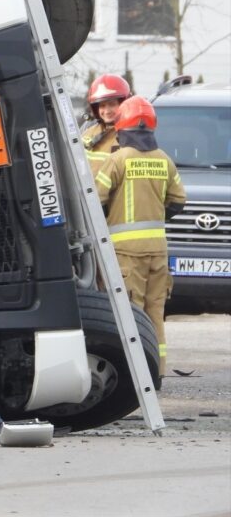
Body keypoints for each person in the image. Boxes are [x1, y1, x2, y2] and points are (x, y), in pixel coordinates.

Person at [95, 96, 185, 376]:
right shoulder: (164, 160)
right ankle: (156, 373)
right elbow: (178, 201)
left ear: (122, 125)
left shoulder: (117, 160)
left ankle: (135, 376)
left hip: (125, 254)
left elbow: (95, 200)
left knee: (131, 314)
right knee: (155, 313)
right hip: (158, 251)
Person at [82, 74, 131, 176]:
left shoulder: (133, 134)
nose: (107, 111)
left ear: (124, 104)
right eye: (102, 106)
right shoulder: (88, 133)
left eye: (112, 104)